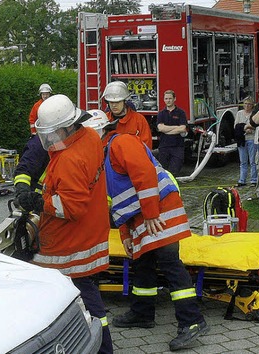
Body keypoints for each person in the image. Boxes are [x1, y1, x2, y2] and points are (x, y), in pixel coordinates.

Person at [82, 113, 208, 352]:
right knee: (142, 261)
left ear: (95, 133)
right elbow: (118, 202)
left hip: (159, 211)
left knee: (170, 262)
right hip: (145, 214)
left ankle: (192, 321)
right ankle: (142, 313)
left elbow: (145, 175)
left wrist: (151, 214)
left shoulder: (121, 143)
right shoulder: (104, 155)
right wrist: (126, 235)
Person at [15, 95, 113, 354]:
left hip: (70, 246)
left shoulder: (70, 158)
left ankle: (99, 348)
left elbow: (69, 207)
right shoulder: (90, 137)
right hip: (89, 234)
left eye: (50, 133)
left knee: (81, 301)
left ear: (65, 128)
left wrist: (38, 203)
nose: (47, 140)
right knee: (89, 296)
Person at [102, 81, 153, 148]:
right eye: (111, 102)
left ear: (125, 101)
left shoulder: (139, 120)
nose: (114, 105)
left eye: (117, 102)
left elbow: (146, 147)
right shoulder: (103, 120)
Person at [157, 90, 188, 175]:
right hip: (164, 147)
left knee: (174, 172)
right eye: (166, 98)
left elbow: (183, 128)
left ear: (174, 99)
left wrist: (167, 130)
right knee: (163, 173)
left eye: (170, 98)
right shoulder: (161, 114)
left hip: (177, 147)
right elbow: (160, 128)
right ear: (163, 100)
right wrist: (176, 128)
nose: (168, 100)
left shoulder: (181, 113)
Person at [234, 97, 258, 186]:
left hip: (251, 139)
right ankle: (242, 180)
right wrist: (244, 129)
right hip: (242, 139)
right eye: (245, 104)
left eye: (249, 104)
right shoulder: (239, 113)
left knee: (253, 161)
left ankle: (253, 180)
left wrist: (249, 128)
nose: (247, 106)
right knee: (243, 161)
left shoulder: (254, 114)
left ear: (252, 105)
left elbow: (256, 125)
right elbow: (236, 126)